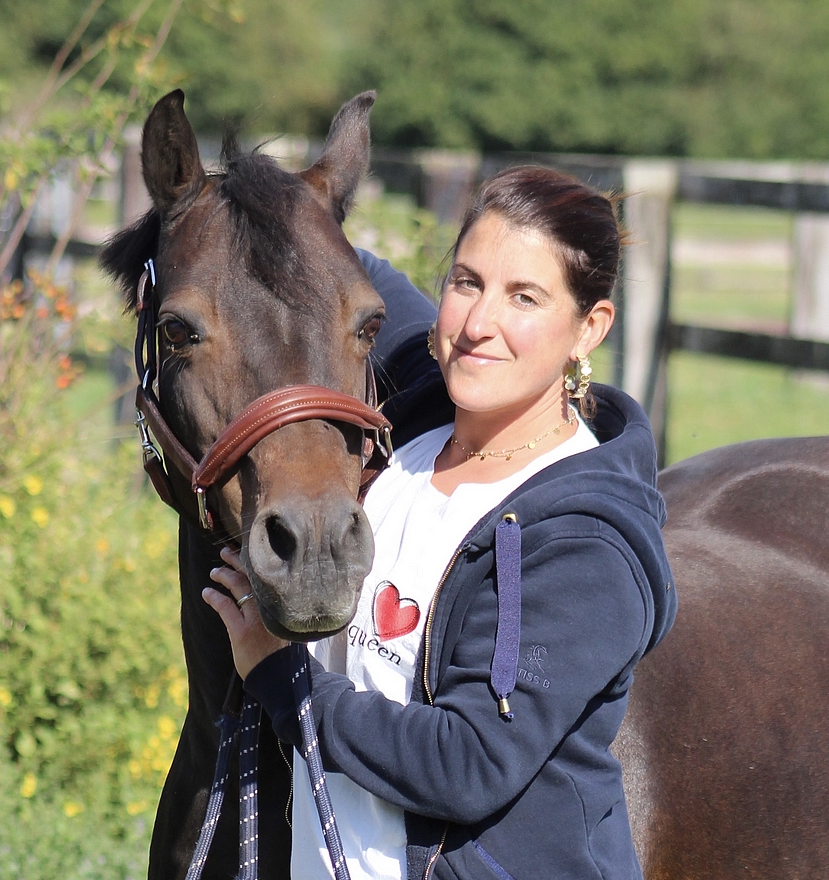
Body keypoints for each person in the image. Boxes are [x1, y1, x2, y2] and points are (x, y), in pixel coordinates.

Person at [203, 165, 677, 880]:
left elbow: (467, 763)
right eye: (466, 282)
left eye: (524, 297)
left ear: (589, 328)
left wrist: (280, 677)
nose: (479, 325)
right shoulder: (408, 433)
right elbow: (330, 263)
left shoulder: (587, 546)